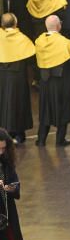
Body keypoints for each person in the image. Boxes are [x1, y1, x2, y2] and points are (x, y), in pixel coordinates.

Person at [35, 15, 70, 147]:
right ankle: (60, 140)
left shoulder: (39, 41)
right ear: (59, 26)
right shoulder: (65, 42)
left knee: (45, 109)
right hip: (62, 81)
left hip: (44, 80)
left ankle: (41, 139)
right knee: (63, 108)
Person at [0, 129, 25, 240]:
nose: (1, 152)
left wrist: (9, 187)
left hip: (8, 214)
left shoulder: (7, 161)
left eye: (3, 148)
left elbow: (15, 184)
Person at [0, 14, 35, 144]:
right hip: (18, 77)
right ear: (15, 23)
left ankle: (4, 134)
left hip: (2, 77)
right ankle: (19, 135)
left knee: (3, 103)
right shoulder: (22, 39)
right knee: (19, 103)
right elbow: (31, 57)